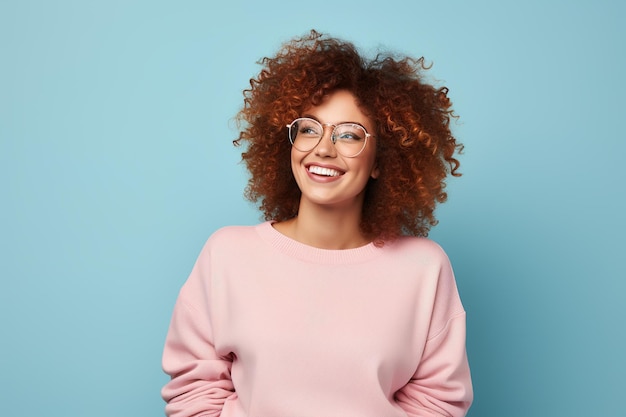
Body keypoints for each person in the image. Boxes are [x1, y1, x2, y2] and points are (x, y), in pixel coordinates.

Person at [161, 29, 473, 417]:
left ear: (380, 161)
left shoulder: (425, 268)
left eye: (349, 135)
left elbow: (437, 401)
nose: (323, 148)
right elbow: (194, 390)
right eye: (309, 128)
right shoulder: (226, 254)